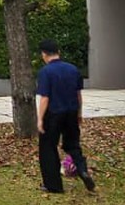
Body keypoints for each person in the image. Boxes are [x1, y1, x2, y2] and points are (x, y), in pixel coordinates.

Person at [35, 39, 93, 194]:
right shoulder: (73, 69)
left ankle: (53, 185)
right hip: (71, 112)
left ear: (44, 54)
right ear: (58, 52)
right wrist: (79, 113)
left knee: (48, 147)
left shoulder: (45, 72)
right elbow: (78, 94)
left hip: (53, 113)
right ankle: (82, 170)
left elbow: (45, 98)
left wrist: (40, 119)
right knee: (73, 145)